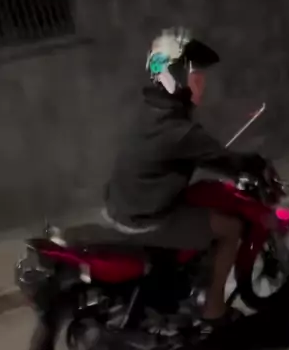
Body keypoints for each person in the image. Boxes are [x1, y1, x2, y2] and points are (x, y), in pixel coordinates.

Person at [103, 28, 266, 328]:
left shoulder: (149, 110)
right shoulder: (180, 131)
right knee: (230, 228)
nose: (202, 83)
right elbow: (223, 159)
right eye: (196, 75)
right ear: (175, 76)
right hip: (147, 218)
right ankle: (214, 309)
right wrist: (255, 164)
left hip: (120, 206)